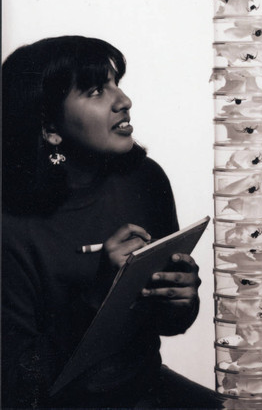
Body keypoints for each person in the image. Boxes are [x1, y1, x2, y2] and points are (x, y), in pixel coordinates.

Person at [1, 36, 219, 408]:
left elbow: (169, 325)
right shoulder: (10, 226)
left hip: (145, 391)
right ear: (49, 125)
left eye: (116, 84)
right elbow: (19, 386)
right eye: (96, 91)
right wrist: (100, 292)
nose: (124, 101)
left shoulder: (145, 179)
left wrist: (179, 299)